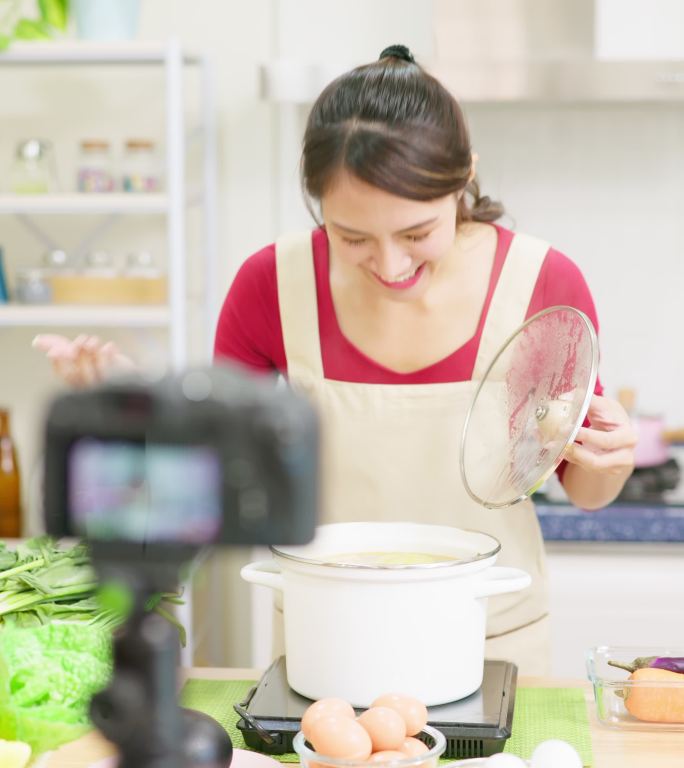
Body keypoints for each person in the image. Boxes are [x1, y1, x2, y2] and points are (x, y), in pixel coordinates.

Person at [34, 44, 636, 674]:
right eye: (351, 237)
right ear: (318, 203)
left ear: (463, 181)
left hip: (492, 644)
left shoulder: (540, 285)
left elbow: (586, 489)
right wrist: (133, 421)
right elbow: (215, 482)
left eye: (416, 233)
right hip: (325, 647)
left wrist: (608, 457)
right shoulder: (271, 286)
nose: (390, 264)